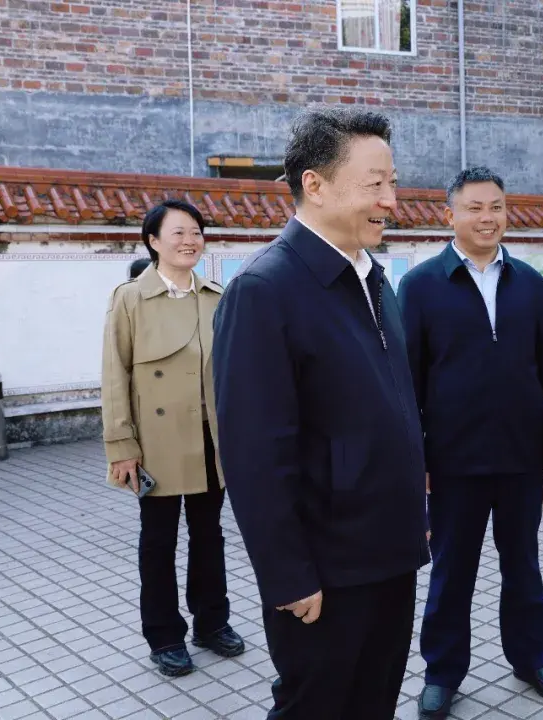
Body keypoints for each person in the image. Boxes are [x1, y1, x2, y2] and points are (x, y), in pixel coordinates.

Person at [211, 106, 430, 719]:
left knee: (375, 702)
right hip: (326, 573)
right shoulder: (265, 291)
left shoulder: (372, 278)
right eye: (375, 184)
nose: (391, 201)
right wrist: (287, 575)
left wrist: (414, 513)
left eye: (392, 182)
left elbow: (392, 408)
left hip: (390, 552)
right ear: (315, 184)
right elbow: (254, 456)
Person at [398, 166, 543, 719]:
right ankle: (442, 673)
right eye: (474, 207)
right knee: (452, 570)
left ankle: (531, 658)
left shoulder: (528, 281)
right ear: (449, 215)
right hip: (453, 459)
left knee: (523, 563)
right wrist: (416, 456)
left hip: (521, 453)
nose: (487, 217)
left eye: (496, 206)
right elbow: (407, 378)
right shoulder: (421, 285)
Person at [101, 199, 245, 678]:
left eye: (196, 232)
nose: (190, 241)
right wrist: (121, 446)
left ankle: (212, 621)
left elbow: (231, 374)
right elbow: (114, 375)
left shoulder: (216, 296)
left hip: (210, 439)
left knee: (210, 535)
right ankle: (164, 636)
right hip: (156, 441)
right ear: (153, 241)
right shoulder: (130, 298)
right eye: (178, 232)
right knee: (158, 541)